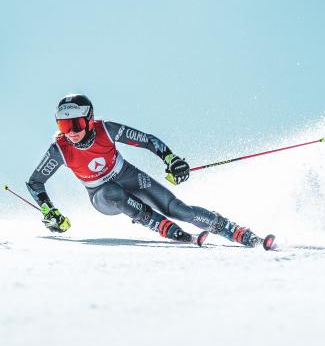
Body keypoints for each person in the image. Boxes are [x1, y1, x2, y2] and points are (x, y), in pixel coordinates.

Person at [26, 94, 274, 248]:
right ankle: (161, 226)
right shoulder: (60, 149)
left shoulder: (106, 130)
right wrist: (50, 211)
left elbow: (146, 139)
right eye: (64, 125)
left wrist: (170, 159)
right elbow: (35, 182)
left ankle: (234, 231)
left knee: (178, 209)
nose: (71, 131)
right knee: (112, 191)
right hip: (102, 196)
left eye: (76, 124)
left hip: (128, 175)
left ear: (89, 120)